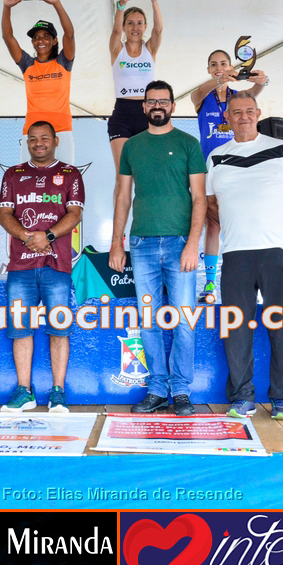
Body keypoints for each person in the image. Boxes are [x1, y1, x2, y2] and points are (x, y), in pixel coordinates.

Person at [206, 91, 283, 419]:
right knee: (236, 329)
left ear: (258, 113)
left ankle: (282, 398)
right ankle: (242, 397)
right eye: (237, 112)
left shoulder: (280, 149)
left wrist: (281, 223)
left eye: (249, 111)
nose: (244, 117)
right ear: (227, 117)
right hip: (236, 253)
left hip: (277, 251)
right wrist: (236, 223)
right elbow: (210, 204)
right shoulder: (216, 157)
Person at [110, 80, 207, 416]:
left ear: (172, 106)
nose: (157, 106)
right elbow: (123, 196)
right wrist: (116, 243)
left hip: (181, 243)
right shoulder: (132, 147)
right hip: (142, 244)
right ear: (143, 106)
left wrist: (193, 244)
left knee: (183, 321)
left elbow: (199, 198)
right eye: (152, 101)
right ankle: (156, 390)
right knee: (148, 321)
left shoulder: (188, 144)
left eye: (163, 101)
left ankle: (180, 391)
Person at [0, 121, 85, 412]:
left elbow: (74, 214)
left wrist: (47, 236)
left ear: (56, 141)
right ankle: (24, 392)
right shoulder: (13, 174)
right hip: (20, 267)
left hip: (56, 266)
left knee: (59, 328)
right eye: (33, 139)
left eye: (44, 138)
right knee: (20, 329)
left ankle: (58, 392)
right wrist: (27, 237)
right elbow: (4, 215)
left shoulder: (70, 174)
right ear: (27, 143)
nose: (38, 143)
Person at [190, 50, 269, 302]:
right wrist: (220, 80)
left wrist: (263, 80)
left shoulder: (238, 98)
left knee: (246, 221)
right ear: (208, 69)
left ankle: (253, 281)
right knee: (213, 225)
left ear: (231, 66)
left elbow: (255, 92)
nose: (219, 67)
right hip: (210, 169)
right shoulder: (201, 95)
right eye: (214, 64)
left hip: (238, 168)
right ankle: (210, 284)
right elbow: (197, 94)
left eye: (224, 63)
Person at [1, 0, 76, 162]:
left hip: (61, 129)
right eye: (36, 37)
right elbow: (8, 37)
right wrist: (6, 8)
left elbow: (69, 34)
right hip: (32, 131)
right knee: (28, 177)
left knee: (64, 176)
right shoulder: (28, 64)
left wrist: (56, 3)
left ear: (54, 41)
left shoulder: (63, 62)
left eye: (45, 36)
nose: (40, 40)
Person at [108, 0, 162, 168]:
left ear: (145, 26)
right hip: (122, 114)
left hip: (146, 113)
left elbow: (158, 30)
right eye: (130, 23)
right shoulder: (117, 50)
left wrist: (154, 2)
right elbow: (115, 31)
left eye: (140, 23)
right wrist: (122, 4)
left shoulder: (150, 49)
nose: (135, 27)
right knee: (123, 172)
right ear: (124, 26)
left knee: (146, 170)